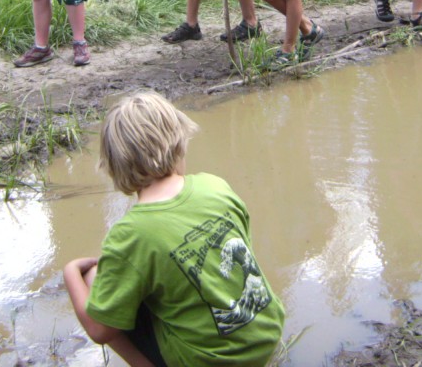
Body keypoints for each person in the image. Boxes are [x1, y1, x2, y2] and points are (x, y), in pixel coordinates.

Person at [63, 91, 285, 367]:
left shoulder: (131, 234)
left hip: (213, 362)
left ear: (114, 164)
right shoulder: (215, 185)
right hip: (266, 336)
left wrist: (71, 272)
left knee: (96, 277)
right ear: (179, 141)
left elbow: (99, 330)